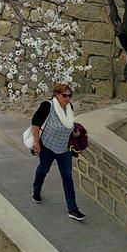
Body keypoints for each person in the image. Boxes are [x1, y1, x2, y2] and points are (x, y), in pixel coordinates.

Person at [31, 82, 86, 221]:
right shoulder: (47, 106)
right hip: (48, 146)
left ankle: (73, 209)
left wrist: (75, 133)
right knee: (43, 169)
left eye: (70, 96)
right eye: (65, 95)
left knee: (67, 176)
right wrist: (36, 142)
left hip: (64, 148)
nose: (68, 98)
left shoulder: (69, 108)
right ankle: (36, 190)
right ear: (57, 94)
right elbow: (35, 123)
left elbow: (69, 125)